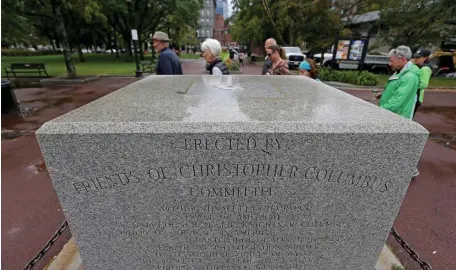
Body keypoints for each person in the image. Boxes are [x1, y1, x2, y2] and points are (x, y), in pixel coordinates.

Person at [378, 45, 420, 177]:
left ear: (402, 59)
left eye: (392, 60)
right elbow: (396, 92)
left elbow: (397, 101)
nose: (390, 63)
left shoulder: (409, 76)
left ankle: (410, 169)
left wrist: (378, 110)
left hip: (397, 115)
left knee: (396, 144)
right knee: (394, 143)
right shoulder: (401, 72)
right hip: (393, 114)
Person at [412, 49, 432, 117]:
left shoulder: (425, 69)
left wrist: (409, 84)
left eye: (418, 57)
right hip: (412, 96)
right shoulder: (417, 66)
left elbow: (424, 84)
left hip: (416, 97)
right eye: (415, 57)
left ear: (425, 58)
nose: (415, 59)